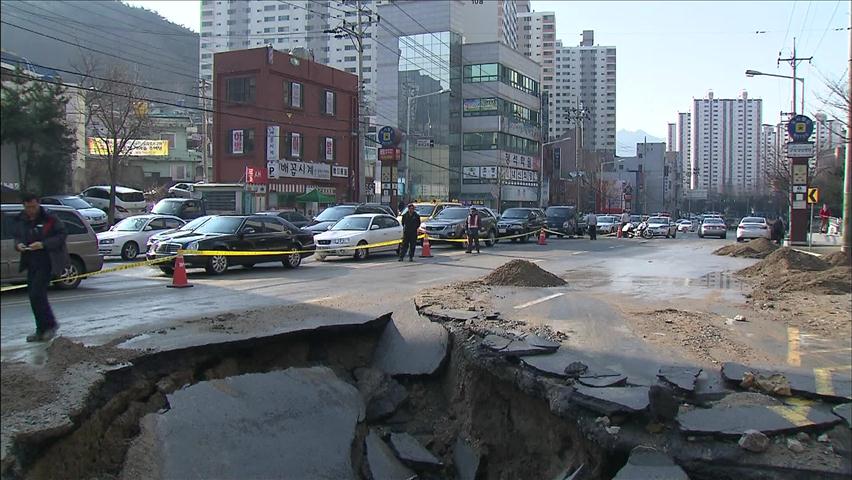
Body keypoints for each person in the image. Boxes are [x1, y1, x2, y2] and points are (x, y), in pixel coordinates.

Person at [13, 193, 70, 342]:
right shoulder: (22, 218)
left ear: (38, 204)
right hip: (30, 260)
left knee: (38, 293)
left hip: (47, 260)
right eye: (27, 207)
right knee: (33, 296)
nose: (30, 210)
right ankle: (40, 329)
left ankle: (50, 325)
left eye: (33, 207)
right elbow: (17, 235)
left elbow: (62, 234)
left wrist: (43, 244)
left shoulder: (49, 217)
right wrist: (18, 245)